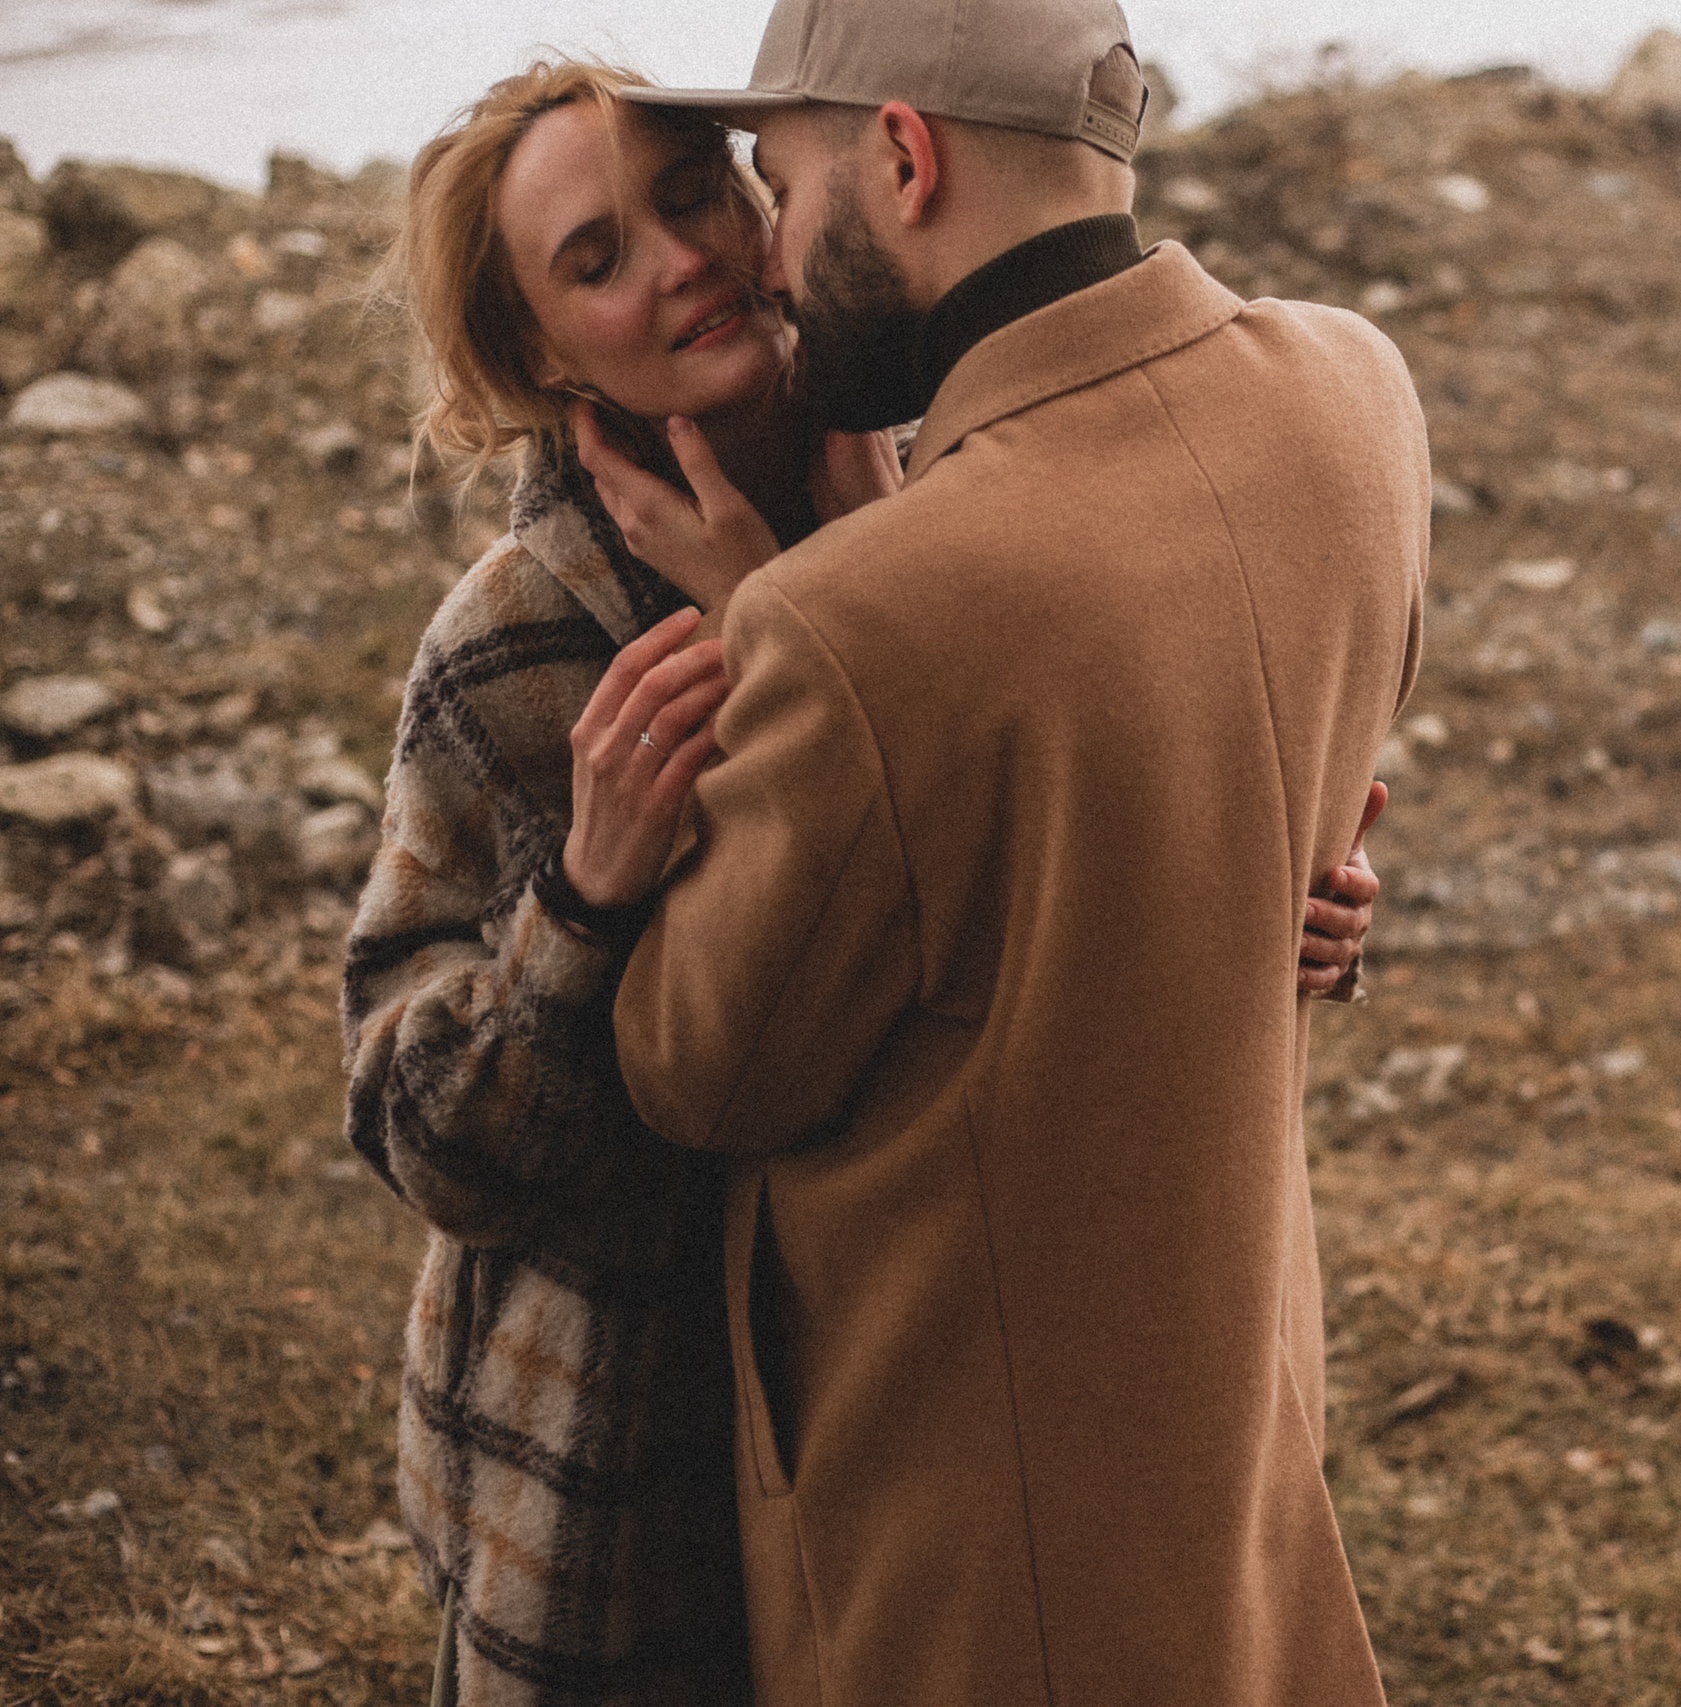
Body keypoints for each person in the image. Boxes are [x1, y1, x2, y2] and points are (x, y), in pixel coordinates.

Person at [341, 56, 1382, 1707]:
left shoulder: (935, 499)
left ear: (769, 198)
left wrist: (1268, 892)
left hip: (904, 1419)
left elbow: (1030, 878)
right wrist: (586, 909)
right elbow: (415, 1120)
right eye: (595, 259)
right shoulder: (521, 643)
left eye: (693, 194)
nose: (679, 258)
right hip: (626, 1457)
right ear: (543, 351)